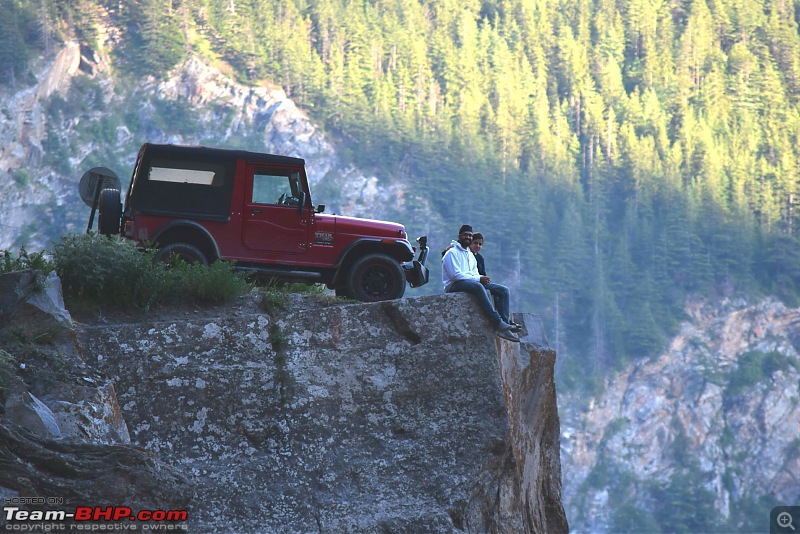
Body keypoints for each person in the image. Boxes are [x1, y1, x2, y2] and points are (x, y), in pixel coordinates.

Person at [442, 224, 519, 342]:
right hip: (454, 285)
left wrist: (481, 277)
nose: (468, 237)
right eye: (465, 235)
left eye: (470, 235)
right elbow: (455, 275)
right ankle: (497, 322)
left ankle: (505, 324)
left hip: (470, 282)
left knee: (503, 290)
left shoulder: (469, 254)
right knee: (478, 286)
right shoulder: (452, 253)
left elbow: (474, 273)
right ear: (459, 236)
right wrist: (478, 279)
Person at [468, 232, 520, 331]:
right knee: (504, 290)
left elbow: (482, 273)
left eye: (480, 244)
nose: (477, 246)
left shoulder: (479, 257)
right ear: (470, 243)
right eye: (475, 243)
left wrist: (485, 279)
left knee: (497, 295)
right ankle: (505, 323)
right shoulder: (466, 256)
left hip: (481, 282)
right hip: (473, 283)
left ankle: (505, 320)